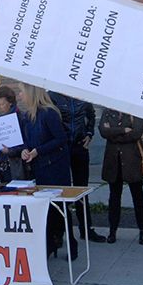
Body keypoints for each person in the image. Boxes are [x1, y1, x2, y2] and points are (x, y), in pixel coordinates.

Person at [16, 84, 72, 256]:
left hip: (54, 168)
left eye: (22, 91)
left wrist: (38, 151)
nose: (19, 95)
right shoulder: (28, 115)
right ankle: (49, 244)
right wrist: (24, 149)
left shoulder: (49, 113)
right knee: (44, 209)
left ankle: (69, 241)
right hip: (38, 167)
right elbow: (26, 139)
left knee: (59, 208)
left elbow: (60, 138)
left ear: (31, 93)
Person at [48, 91, 105, 243]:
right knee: (61, 191)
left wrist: (89, 133)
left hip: (80, 147)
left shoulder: (81, 95)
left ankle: (86, 229)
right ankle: (59, 232)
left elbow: (91, 115)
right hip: (62, 148)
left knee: (81, 190)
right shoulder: (52, 96)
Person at [99, 108, 143, 245]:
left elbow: (136, 133)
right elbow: (103, 131)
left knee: (138, 197)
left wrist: (113, 132)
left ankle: (142, 230)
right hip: (114, 162)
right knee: (114, 197)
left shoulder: (134, 112)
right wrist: (123, 130)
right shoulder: (108, 112)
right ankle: (112, 230)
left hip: (132, 161)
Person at [0, 85, 28, 184]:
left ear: (10, 103)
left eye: (2, 104)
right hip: (2, 166)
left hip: (17, 166)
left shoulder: (21, 118)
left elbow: (27, 144)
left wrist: (10, 150)